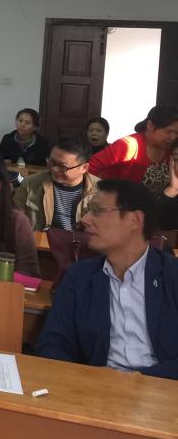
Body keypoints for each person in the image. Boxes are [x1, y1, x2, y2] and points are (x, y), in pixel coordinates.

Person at [36, 180, 178, 379]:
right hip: (96, 387)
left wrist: (140, 380)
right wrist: (85, 380)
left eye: (97, 211)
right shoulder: (79, 276)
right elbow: (53, 343)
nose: (85, 219)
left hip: (162, 388)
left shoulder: (171, 275)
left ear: (135, 220)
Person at [13, 136, 99, 231]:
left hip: (82, 240)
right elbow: (15, 220)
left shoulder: (100, 191)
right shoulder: (31, 184)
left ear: (84, 168)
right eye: (52, 162)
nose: (54, 169)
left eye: (62, 167)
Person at [89, 106, 178, 196]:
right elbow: (92, 165)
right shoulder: (128, 146)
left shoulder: (172, 150)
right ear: (150, 125)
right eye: (168, 132)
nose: (173, 137)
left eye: (177, 133)